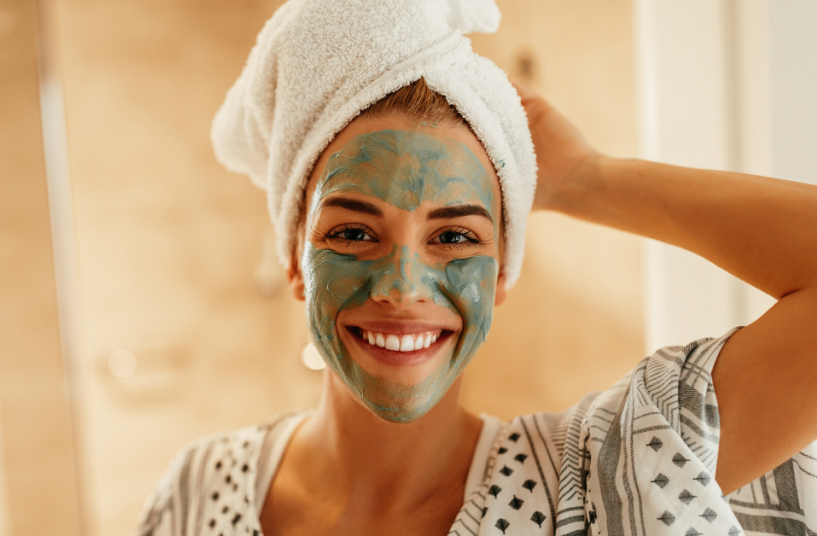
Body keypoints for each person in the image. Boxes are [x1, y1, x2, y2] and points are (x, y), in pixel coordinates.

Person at [136, 1, 817, 535]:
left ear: (501, 273)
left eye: (455, 236)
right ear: (294, 260)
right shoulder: (198, 490)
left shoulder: (603, 485)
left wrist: (587, 179)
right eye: (352, 231)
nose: (402, 287)